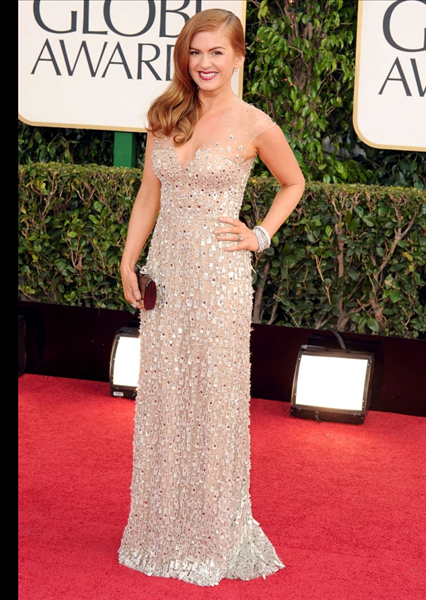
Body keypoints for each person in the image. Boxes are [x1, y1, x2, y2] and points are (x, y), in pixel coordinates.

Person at [118, 8, 305, 587]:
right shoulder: (166, 115)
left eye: (217, 52)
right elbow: (149, 195)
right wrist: (128, 259)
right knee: (166, 397)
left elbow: (294, 182)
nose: (205, 63)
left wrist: (260, 235)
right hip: (167, 276)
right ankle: (162, 527)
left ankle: (213, 531)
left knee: (214, 401)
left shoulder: (256, 124)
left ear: (238, 56)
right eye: (195, 52)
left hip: (220, 280)